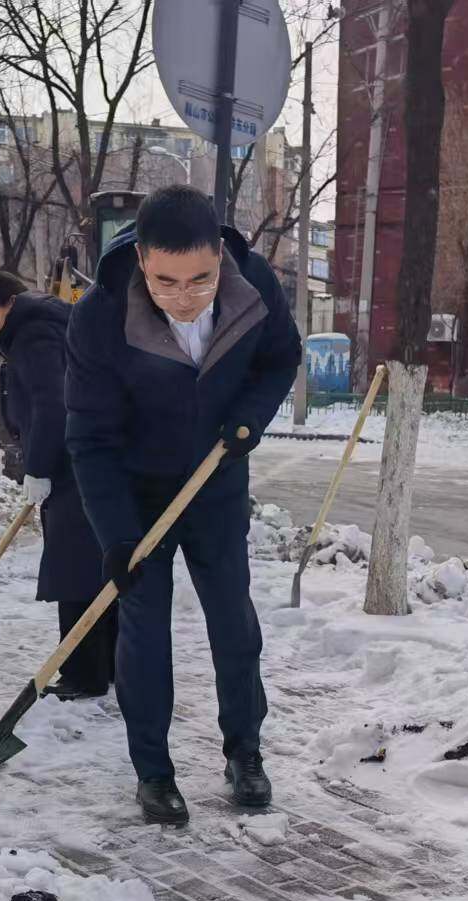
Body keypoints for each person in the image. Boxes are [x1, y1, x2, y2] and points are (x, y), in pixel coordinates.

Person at [65, 185, 301, 825]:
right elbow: (89, 438)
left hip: (216, 479)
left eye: (200, 278)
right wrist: (115, 536)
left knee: (233, 618)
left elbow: (281, 358)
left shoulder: (253, 287)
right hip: (139, 494)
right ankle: (154, 772)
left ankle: (244, 751)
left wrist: (249, 420)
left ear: (220, 254)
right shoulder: (99, 319)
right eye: (167, 281)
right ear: (141, 259)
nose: (185, 296)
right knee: (145, 630)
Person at [0, 270, 115, 698]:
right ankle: (104, 668)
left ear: (10, 302)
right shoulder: (54, 322)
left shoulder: (33, 334)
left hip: (69, 463)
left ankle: (82, 676)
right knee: (93, 567)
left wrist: (39, 467)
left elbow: (51, 403)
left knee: (73, 570)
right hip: (87, 458)